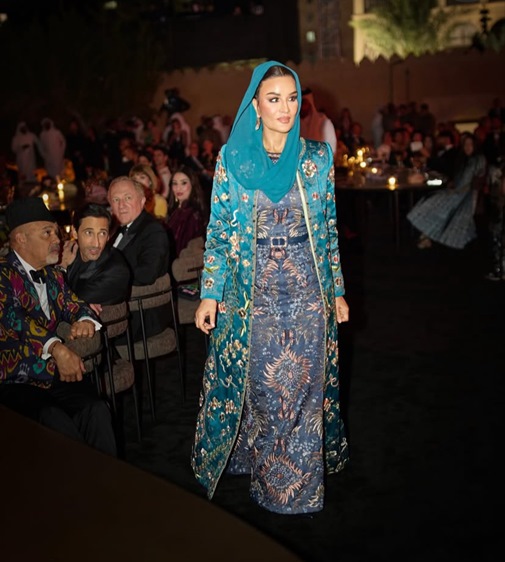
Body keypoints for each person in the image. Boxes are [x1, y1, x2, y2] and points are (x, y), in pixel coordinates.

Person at [192, 61, 350, 514]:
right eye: (274, 99)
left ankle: (295, 491)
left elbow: (328, 229)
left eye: (292, 98)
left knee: (303, 390)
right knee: (263, 389)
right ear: (256, 107)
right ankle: (260, 472)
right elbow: (220, 230)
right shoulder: (233, 159)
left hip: (307, 292)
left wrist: (337, 291)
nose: (286, 108)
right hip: (253, 294)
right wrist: (211, 292)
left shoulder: (317, 158)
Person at [0, 197, 116, 455]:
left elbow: (75, 304)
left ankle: (108, 476)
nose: (57, 239)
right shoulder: (3, 274)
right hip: (13, 379)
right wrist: (56, 348)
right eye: (47, 232)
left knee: (96, 409)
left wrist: (85, 320)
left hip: (51, 374)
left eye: (56, 231)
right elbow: (13, 318)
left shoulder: (53, 275)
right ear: (20, 239)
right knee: (54, 420)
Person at [108, 176, 170, 338]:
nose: (121, 205)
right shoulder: (116, 230)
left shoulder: (153, 230)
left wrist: (106, 280)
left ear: (142, 201)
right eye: (116, 200)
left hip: (140, 317)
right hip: (122, 311)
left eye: (128, 198)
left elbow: (147, 274)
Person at [408, 133, 486, 250]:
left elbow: (466, 182)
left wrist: (451, 189)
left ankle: (427, 236)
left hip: (464, 195)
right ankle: (427, 235)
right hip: (456, 191)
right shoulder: (464, 159)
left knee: (433, 203)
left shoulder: (477, 159)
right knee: (430, 200)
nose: (467, 147)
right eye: (465, 144)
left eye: (470, 144)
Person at [60, 203, 131, 307]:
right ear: (74, 232)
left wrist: (61, 268)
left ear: (108, 236)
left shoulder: (116, 270)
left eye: (102, 234)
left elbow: (62, 303)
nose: (96, 244)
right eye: (89, 233)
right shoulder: (70, 253)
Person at [166, 165, 207, 258]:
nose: (178, 188)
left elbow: (183, 248)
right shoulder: (175, 211)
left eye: (183, 183)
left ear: (192, 185)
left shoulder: (191, 214)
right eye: (175, 183)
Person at [299, 88, 337, 156]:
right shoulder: (293, 124)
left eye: (304, 103)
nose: (301, 107)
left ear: (310, 104)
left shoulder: (324, 122)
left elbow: (331, 149)